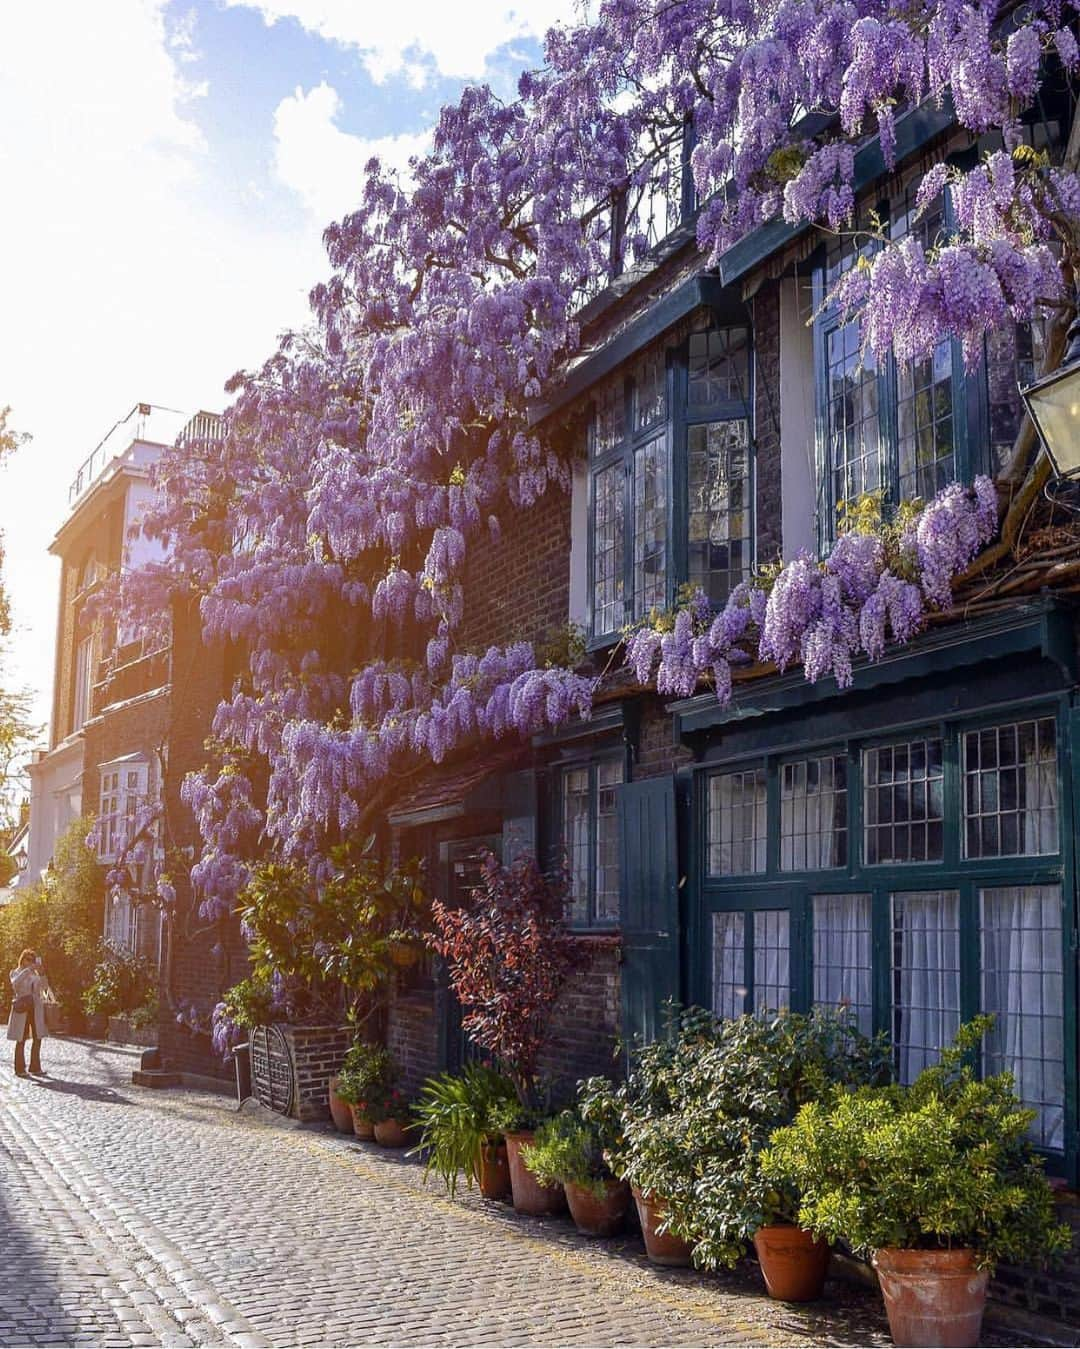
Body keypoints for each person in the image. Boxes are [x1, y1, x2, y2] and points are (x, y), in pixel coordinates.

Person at [8, 949, 51, 1077]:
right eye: (28, 959)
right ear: (22, 959)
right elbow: (15, 985)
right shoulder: (15, 972)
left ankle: (35, 1067)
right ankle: (19, 1069)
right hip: (22, 1008)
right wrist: (26, 970)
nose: (30, 962)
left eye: (32, 960)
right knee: (21, 1038)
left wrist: (42, 974)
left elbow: (44, 988)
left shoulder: (35, 974)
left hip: (36, 1008)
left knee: (38, 1037)